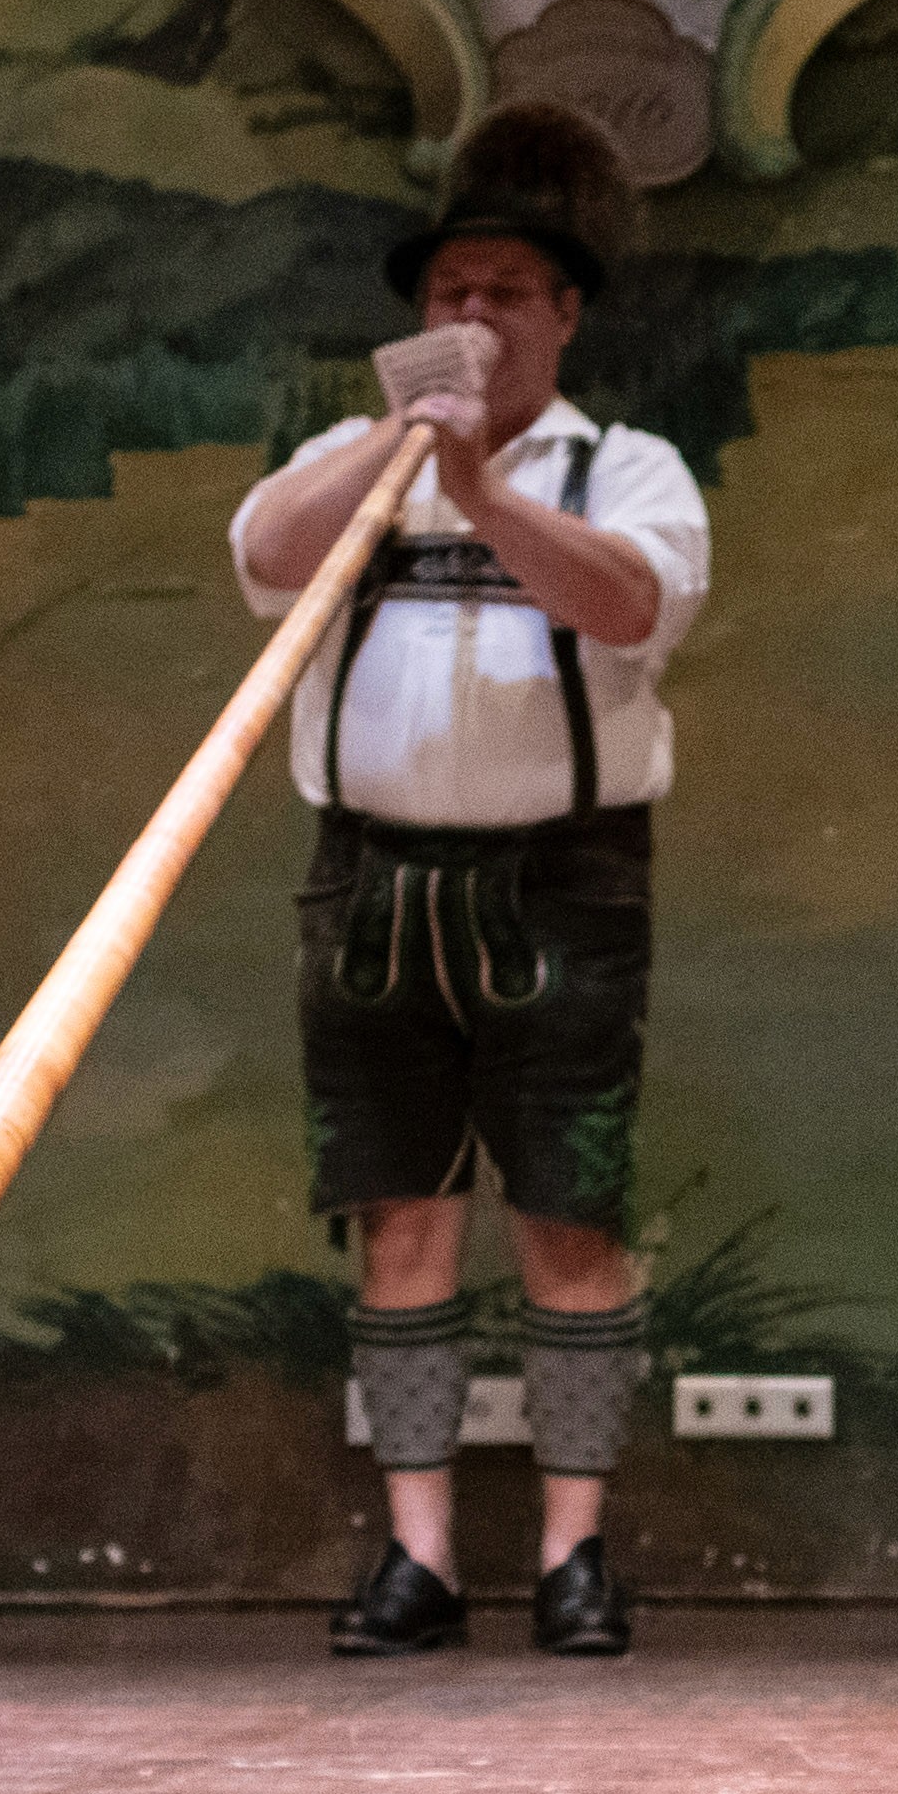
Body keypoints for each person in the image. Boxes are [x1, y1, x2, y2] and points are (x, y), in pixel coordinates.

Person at [225, 104, 708, 1662]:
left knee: (570, 1217)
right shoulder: (350, 462)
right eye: (450, 293)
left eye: (504, 292)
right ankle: (418, 1552)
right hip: (369, 885)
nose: (474, 316)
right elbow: (267, 558)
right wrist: (402, 448)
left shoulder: (628, 469)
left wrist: (484, 490)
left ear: (565, 312)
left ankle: (574, 1550)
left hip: (566, 886)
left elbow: (628, 605)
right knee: (400, 1218)